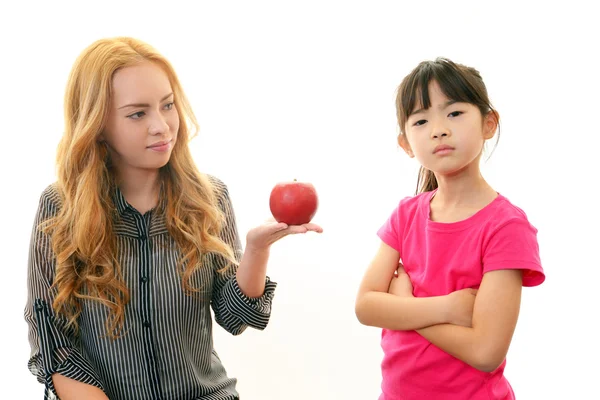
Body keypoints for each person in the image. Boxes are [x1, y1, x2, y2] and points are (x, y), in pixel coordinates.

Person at [24, 36, 322, 400]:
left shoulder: (209, 198)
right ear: (97, 124)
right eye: (138, 113)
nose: (162, 126)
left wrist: (257, 251)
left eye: (167, 106)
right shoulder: (59, 207)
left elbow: (236, 318)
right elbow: (53, 343)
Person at [355, 57, 545, 400]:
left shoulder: (506, 227)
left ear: (489, 124)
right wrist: (446, 309)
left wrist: (404, 305)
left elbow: (485, 353)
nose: (438, 129)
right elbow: (366, 306)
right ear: (406, 144)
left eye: (454, 113)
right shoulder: (406, 215)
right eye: (421, 120)